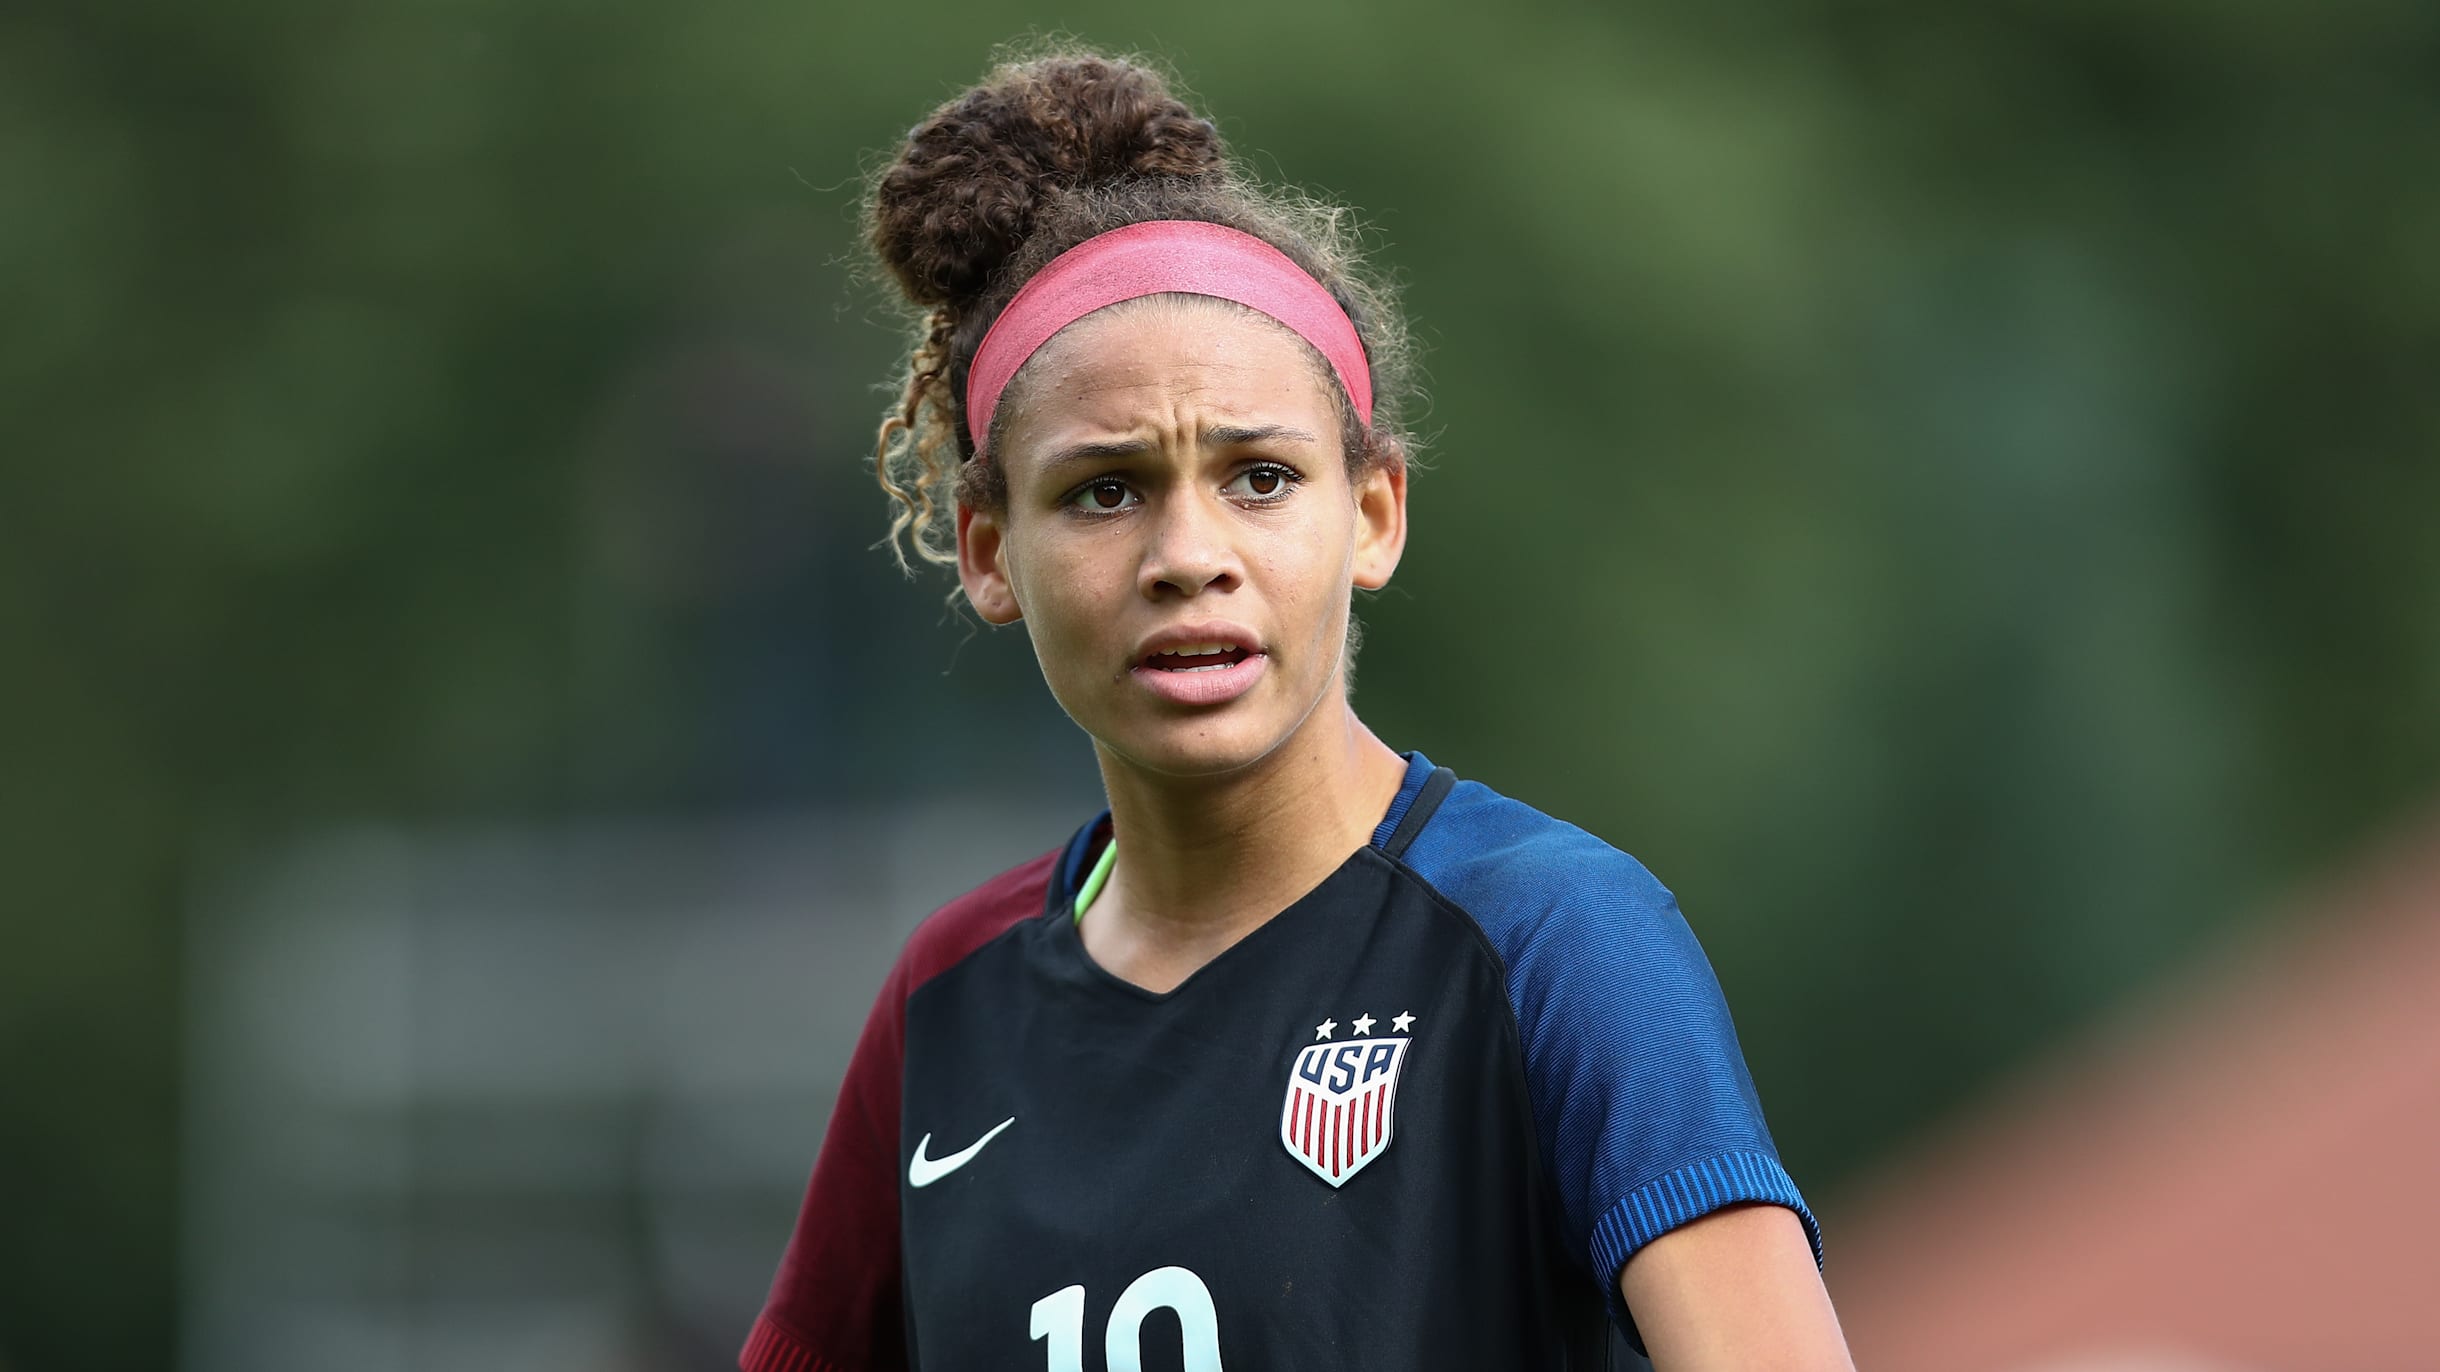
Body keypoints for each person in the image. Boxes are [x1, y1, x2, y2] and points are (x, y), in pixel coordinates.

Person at [744, 45, 1854, 1372]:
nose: (1188, 554)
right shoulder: (948, 1001)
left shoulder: (1557, 940)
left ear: (1373, 513)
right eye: (1104, 490)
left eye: (1260, 477)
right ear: (988, 550)